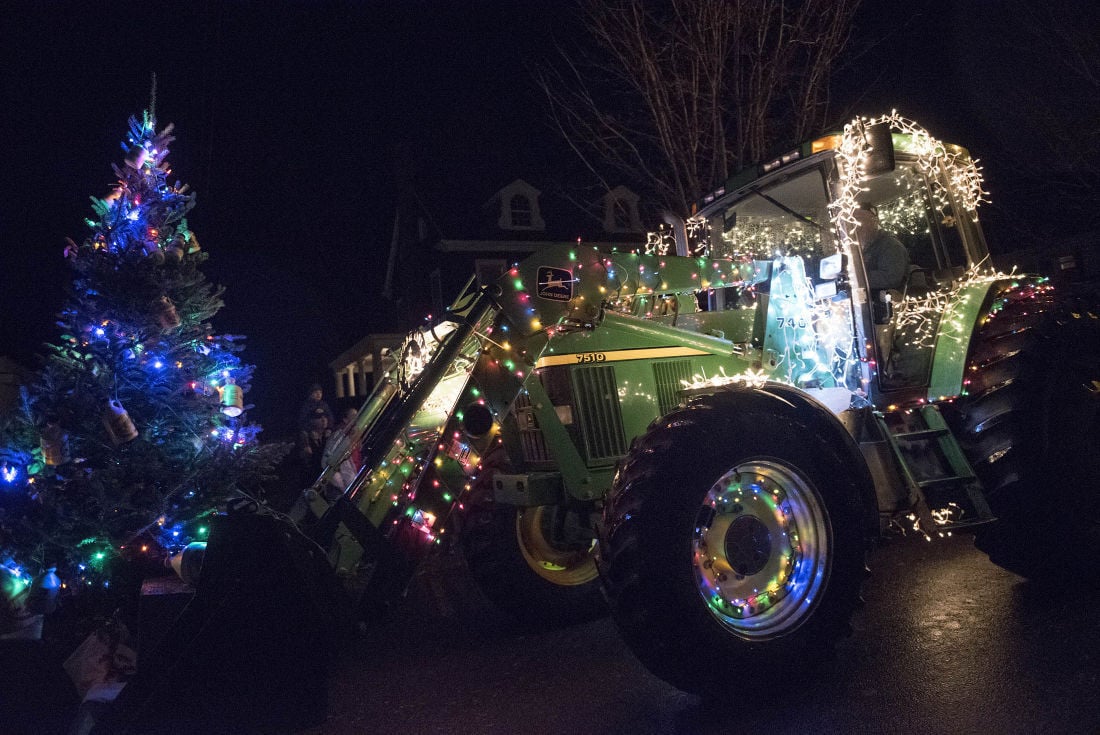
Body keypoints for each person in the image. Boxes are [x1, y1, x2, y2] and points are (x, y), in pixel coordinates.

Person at [853, 204, 909, 292]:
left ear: (875, 221)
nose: (855, 225)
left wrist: (856, 278)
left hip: (884, 302)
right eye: (853, 221)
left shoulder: (891, 246)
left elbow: (891, 278)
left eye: (860, 219)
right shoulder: (858, 248)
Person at [322, 407, 362, 500]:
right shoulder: (339, 437)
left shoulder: (356, 438)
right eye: (353, 416)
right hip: (341, 492)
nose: (356, 419)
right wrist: (344, 488)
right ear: (345, 420)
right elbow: (327, 461)